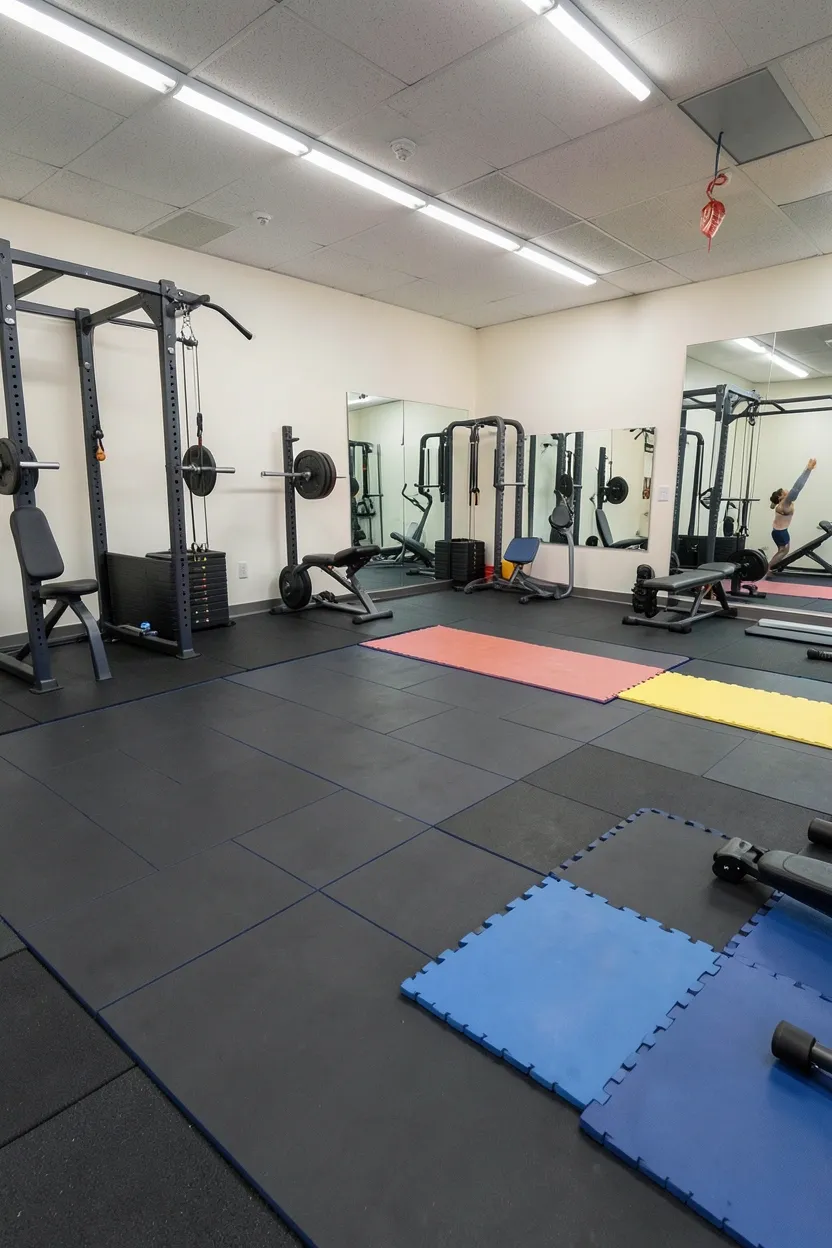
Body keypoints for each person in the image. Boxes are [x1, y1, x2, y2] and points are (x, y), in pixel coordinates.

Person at [769, 458, 817, 567]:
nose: (787, 490)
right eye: (784, 491)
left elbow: (772, 504)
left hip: (778, 531)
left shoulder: (779, 504)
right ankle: (767, 569)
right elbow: (797, 487)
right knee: (783, 551)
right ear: (781, 496)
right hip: (781, 532)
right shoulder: (785, 502)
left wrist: (807, 468)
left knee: (782, 550)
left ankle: (770, 568)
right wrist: (808, 470)